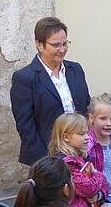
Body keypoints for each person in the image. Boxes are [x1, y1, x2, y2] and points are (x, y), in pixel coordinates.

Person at [11, 17, 90, 165]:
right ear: (39, 45)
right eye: (56, 45)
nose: (62, 49)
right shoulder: (25, 78)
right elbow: (26, 127)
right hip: (47, 157)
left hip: (80, 154)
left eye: (65, 44)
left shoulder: (75, 70)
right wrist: (46, 162)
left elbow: (86, 107)